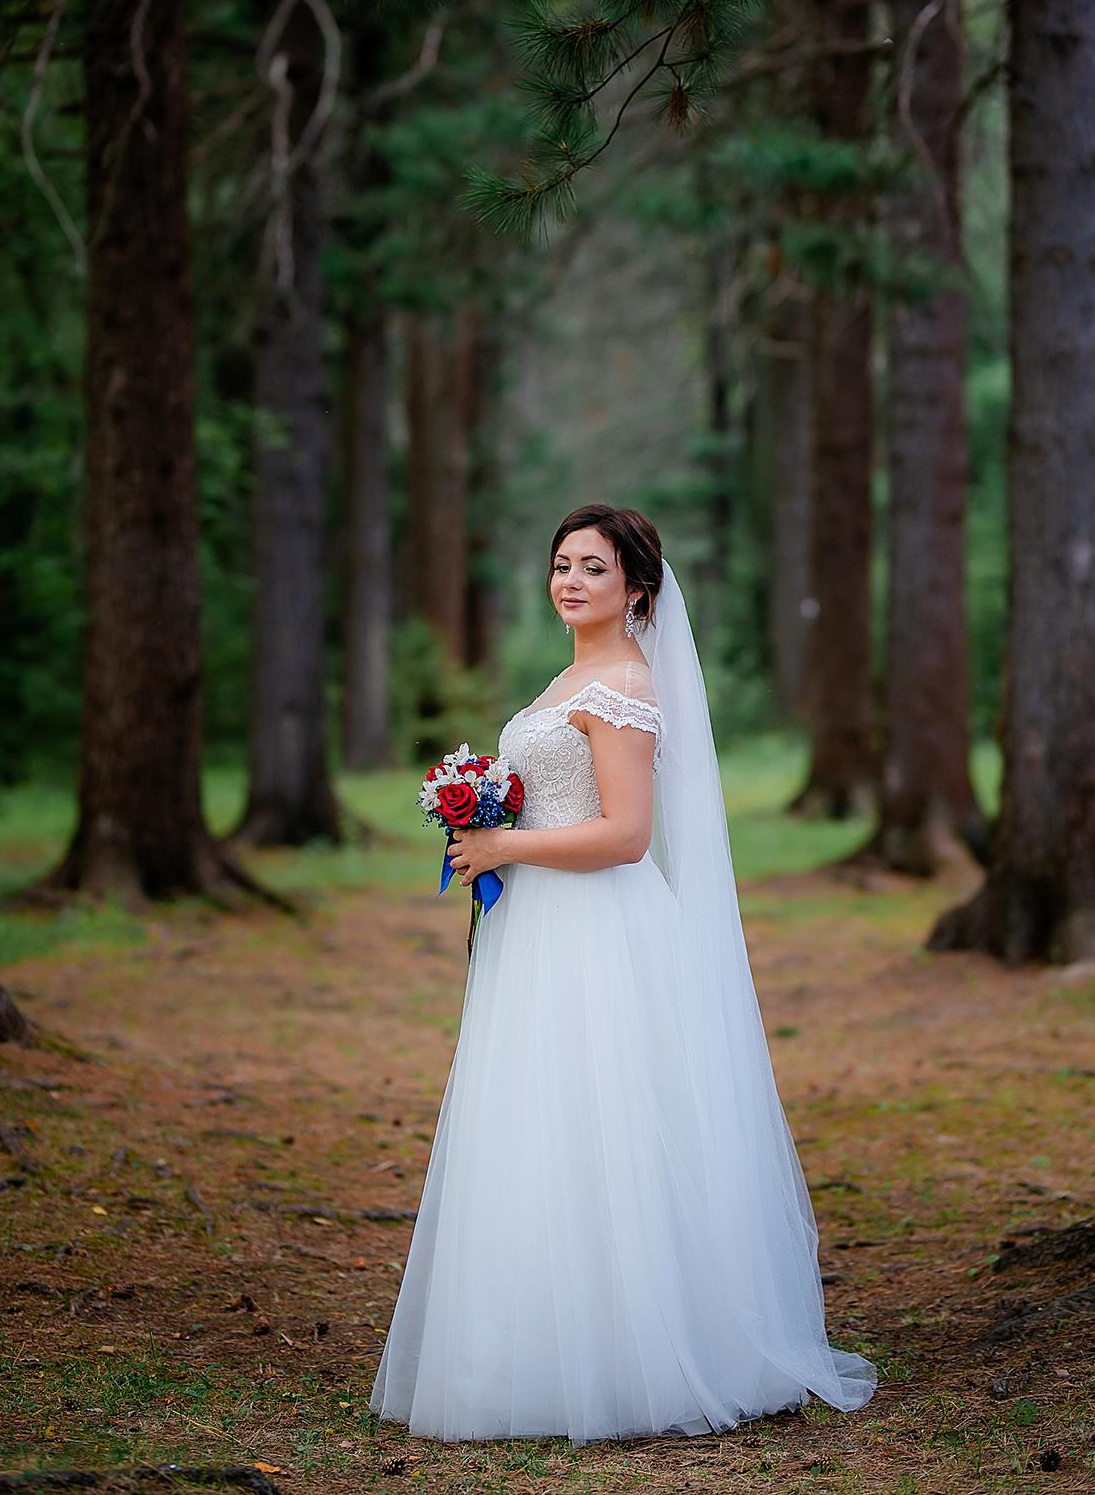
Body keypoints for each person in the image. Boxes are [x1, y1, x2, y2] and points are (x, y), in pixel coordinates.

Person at [368, 504, 876, 1443]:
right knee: (538, 1127)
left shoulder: (626, 684)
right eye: (561, 564)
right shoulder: (567, 677)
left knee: (607, 1126)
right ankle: (524, 1348)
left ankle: (632, 1352)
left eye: (593, 568)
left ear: (636, 587)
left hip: (599, 933)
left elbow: (627, 834)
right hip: (539, 929)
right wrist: (488, 831)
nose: (570, 581)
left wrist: (502, 839)